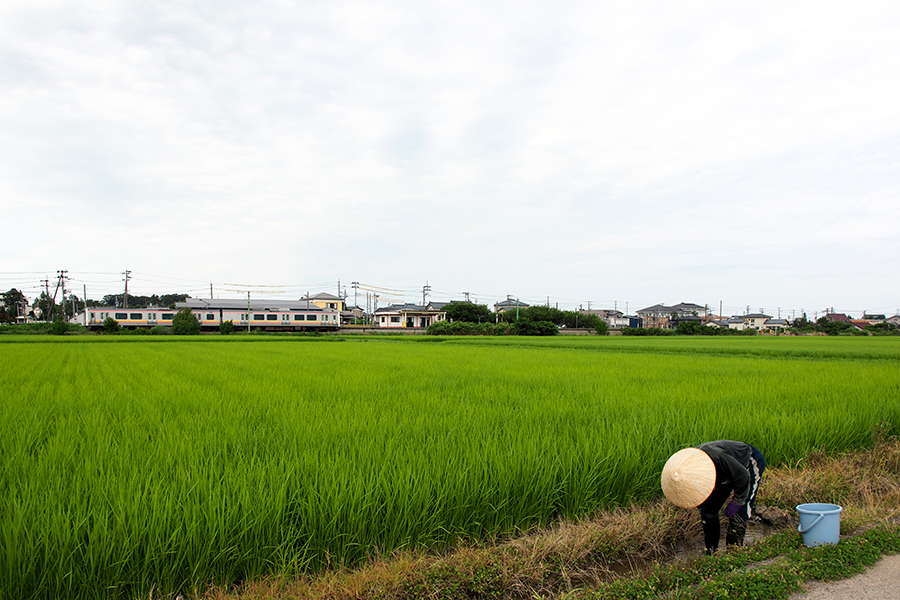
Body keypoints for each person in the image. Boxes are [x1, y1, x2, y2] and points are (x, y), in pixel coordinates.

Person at [660, 440, 765, 554]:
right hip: (723, 473)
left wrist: (737, 501)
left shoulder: (715, 456)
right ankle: (711, 553)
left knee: (740, 512)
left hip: (746, 465)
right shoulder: (688, 469)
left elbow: (743, 476)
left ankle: (734, 554)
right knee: (708, 510)